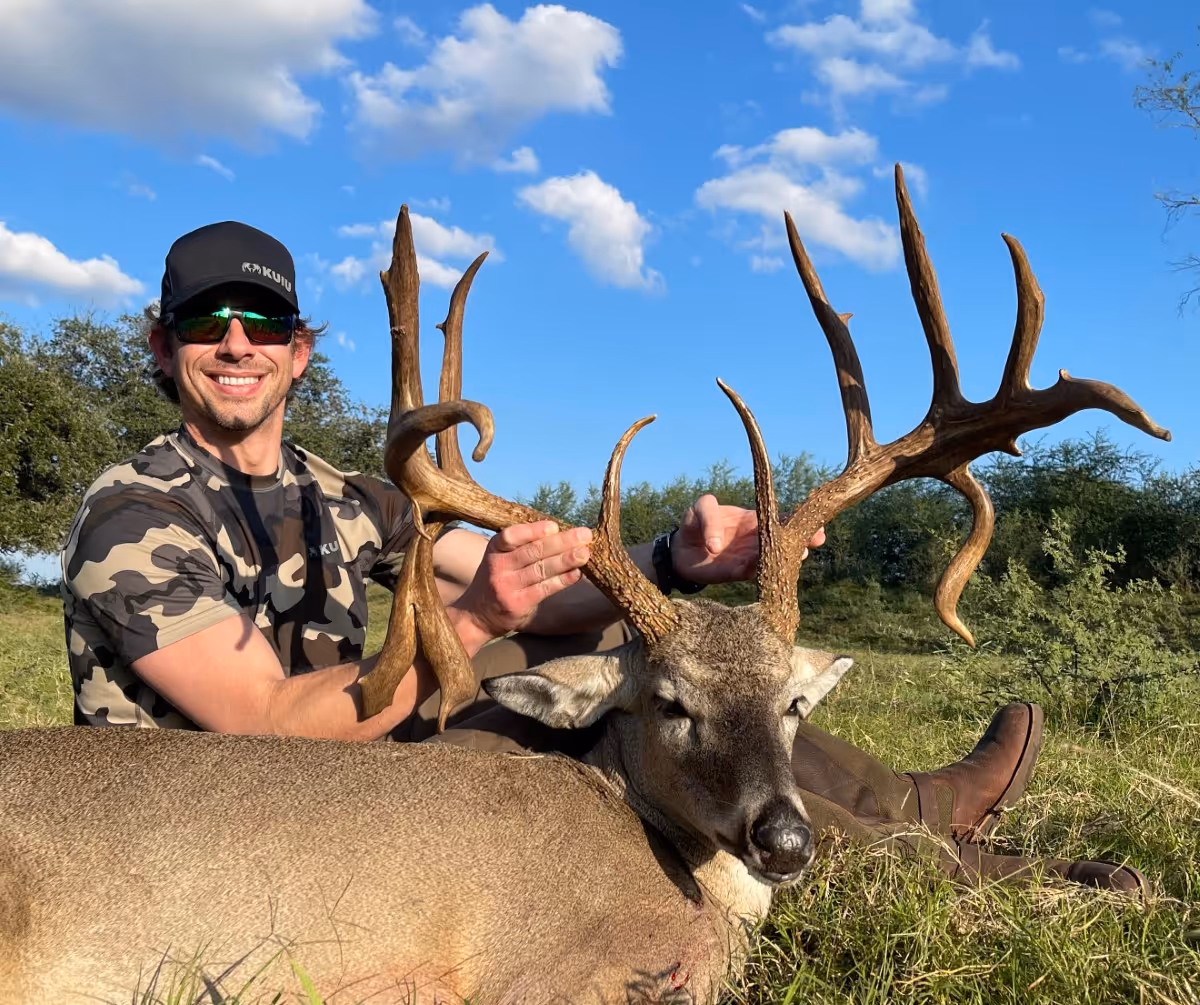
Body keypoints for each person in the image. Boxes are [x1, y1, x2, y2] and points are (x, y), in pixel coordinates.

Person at [59, 220, 1144, 894]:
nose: (235, 343)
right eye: (208, 323)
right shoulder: (134, 518)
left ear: (298, 353)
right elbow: (265, 731)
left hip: (365, 761)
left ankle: (917, 804)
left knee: (672, 656)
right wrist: (478, 627)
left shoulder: (347, 495)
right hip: (233, 823)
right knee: (650, 702)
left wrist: (676, 561)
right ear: (163, 346)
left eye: (262, 323)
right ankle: (926, 854)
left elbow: (544, 589)